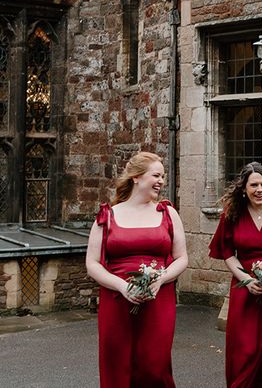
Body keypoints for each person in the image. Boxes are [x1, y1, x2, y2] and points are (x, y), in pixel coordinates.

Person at [85, 151, 188, 388]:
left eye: (163, 176)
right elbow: (92, 263)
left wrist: (161, 279)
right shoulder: (108, 215)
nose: (161, 181)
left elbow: (182, 258)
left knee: (155, 365)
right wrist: (122, 286)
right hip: (116, 301)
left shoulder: (168, 213)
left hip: (158, 299)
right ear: (136, 177)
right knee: (117, 365)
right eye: (156, 175)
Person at [208, 162, 262, 387]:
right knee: (244, 349)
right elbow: (227, 252)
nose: (259, 189)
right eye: (253, 184)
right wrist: (246, 280)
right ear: (243, 188)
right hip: (244, 289)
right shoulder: (233, 212)